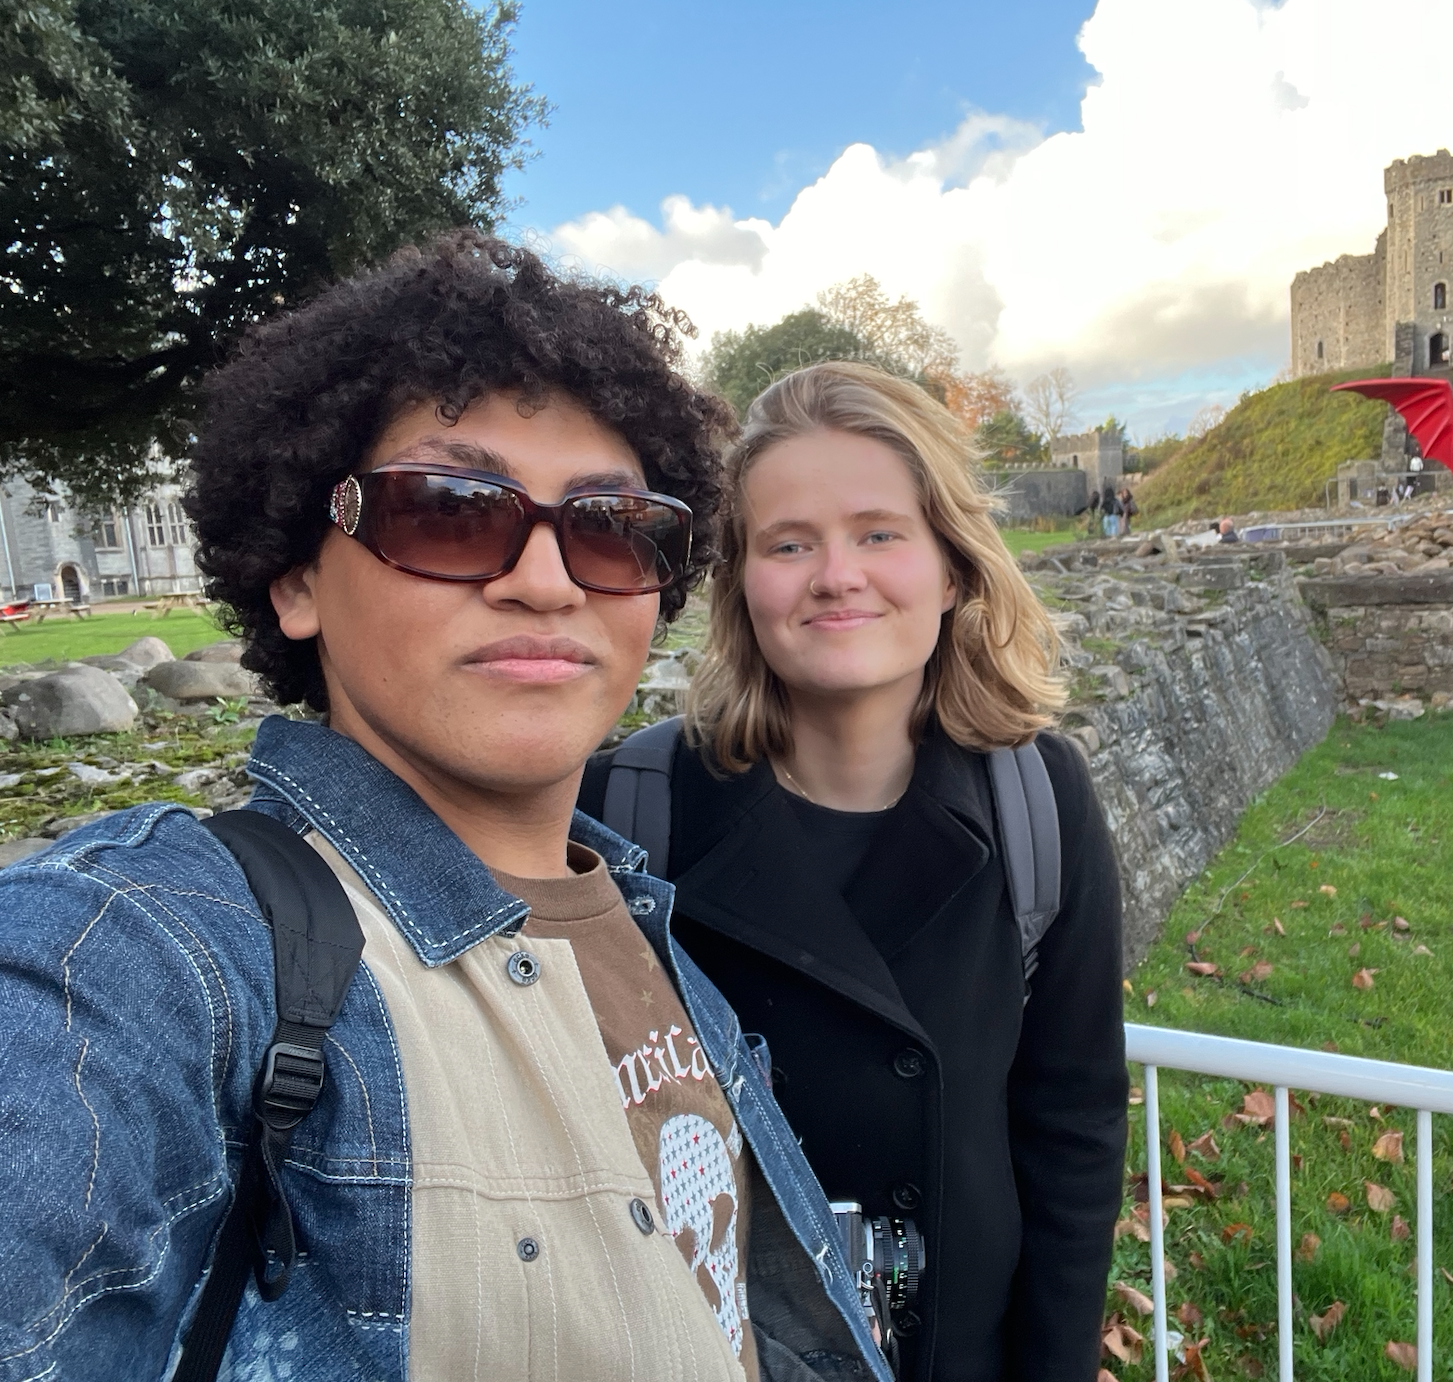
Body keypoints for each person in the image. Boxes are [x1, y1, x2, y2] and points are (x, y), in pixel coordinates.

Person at [0, 233, 888, 1382]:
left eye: (612, 525)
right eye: (450, 509)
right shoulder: (140, 953)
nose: (546, 577)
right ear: (297, 574)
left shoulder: (629, 906)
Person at [655, 362, 1127, 1382]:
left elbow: (1072, 1119)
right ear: (740, 579)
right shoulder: (636, 810)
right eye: (789, 543)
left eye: (879, 532)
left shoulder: (1040, 804)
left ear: (950, 568)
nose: (837, 574)